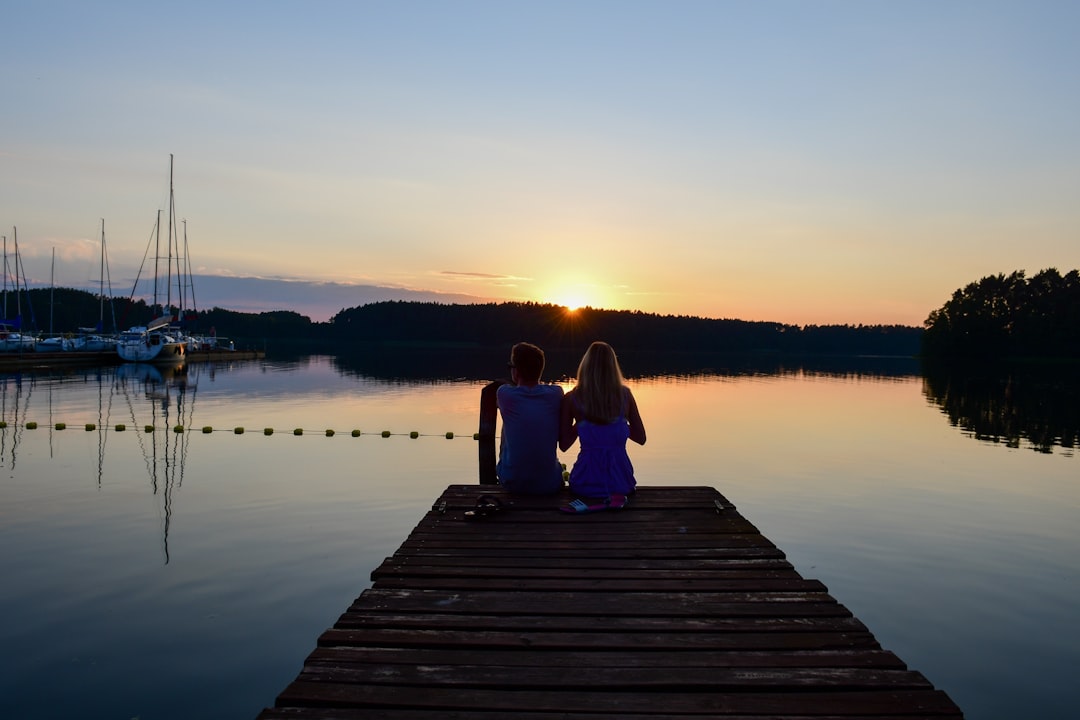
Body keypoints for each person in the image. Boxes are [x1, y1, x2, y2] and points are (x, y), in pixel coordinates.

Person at [559, 341, 646, 498]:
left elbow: (564, 445)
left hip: (584, 483)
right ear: (613, 367)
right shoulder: (625, 396)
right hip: (621, 483)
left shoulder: (571, 399)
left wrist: (582, 424)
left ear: (585, 366)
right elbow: (641, 438)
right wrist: (618, 425)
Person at [496, 342, 565, 494]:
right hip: (549, 484)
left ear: (516, 371)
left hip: (512, 483)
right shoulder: (556, 394)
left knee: (507, 421)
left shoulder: (504, 394)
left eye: (511, 366)